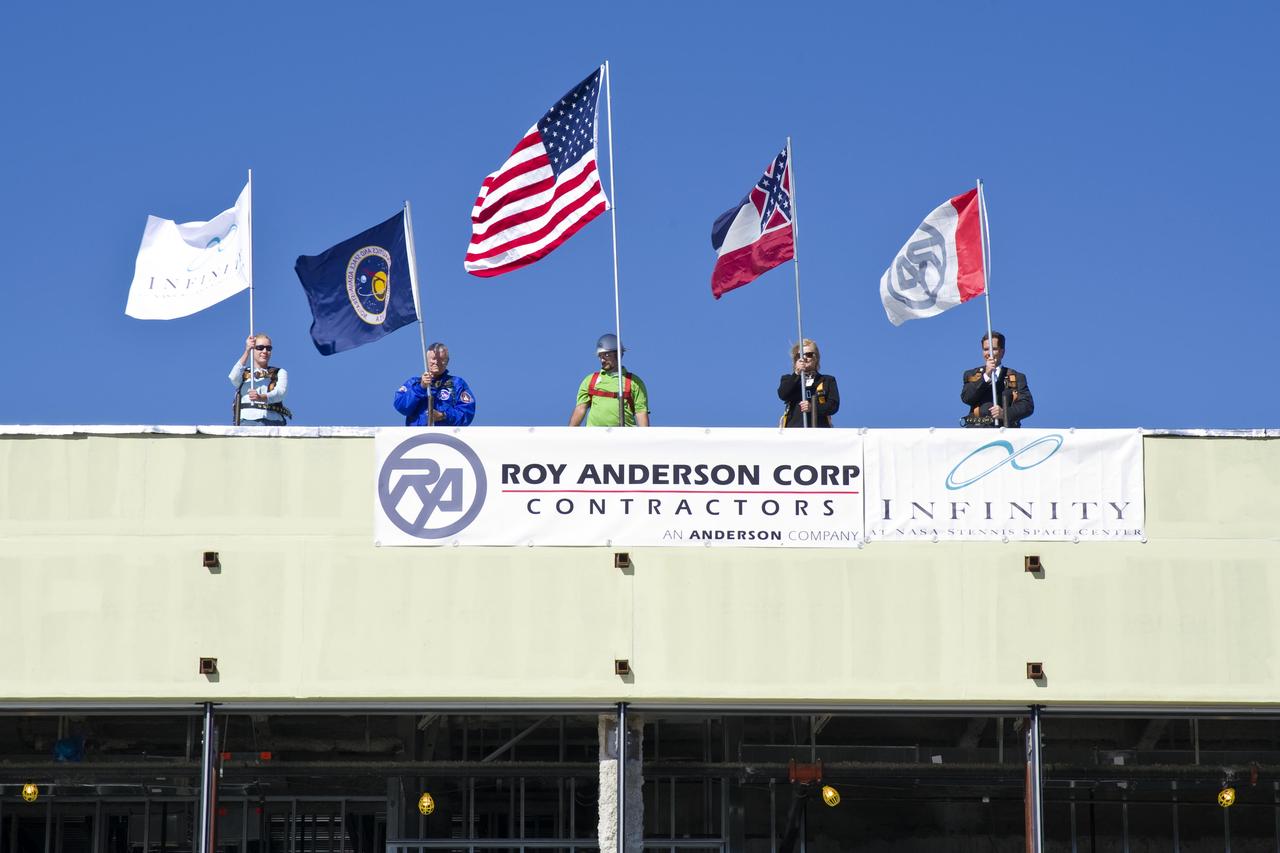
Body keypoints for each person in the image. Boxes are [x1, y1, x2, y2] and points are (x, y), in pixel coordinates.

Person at [569, 333, 650, 427]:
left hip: (625, 437)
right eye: (600, 356)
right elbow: (580, 409)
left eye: (606, 355)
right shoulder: (590, 380)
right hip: (594, 437)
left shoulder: (634, 382)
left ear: (619, 355)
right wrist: (568, 435)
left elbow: (641, 413)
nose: (602, 360)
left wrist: (645, 439)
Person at [960, 331, 1034, 427]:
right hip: (977, 431)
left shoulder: (1016, 377)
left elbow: (1027, 406)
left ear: (1002, 352)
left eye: (993, 349)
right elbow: (967, 398)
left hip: (1005, 432)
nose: (989, 353)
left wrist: (1004, 413)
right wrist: (986, 375)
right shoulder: (971, 374)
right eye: (986, 349)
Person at [394, 342, 476, 426]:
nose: (436, 362)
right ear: (426, 360)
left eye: (441, 359)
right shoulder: (413, 383)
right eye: (433, 358)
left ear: (447, 361)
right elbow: (402, 407)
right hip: (418, 436)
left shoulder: (457, 384)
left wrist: (443, 415)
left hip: (445, 436)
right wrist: (420, 387)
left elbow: (467, 414)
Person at [230, 334, 291, 426]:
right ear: (252, 349)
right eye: (260, 347)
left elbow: (280, 393)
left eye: (268, 348)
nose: (265, 351)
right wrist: (247, 351)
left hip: (274, 420)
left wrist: (261, 397)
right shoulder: (243, 373)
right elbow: (233, 377)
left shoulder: (279, 372)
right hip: (248, 420)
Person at [777, 338, 839, 428]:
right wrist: (797, 373)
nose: (804, 358)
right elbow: (783, 394)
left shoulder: (827, 380)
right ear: (796, 360)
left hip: (819, 432)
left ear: (816, 358)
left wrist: (813, 407)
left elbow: (833, 406)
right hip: (794, 432)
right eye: (800, 356)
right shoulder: (788, 379)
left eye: (809, 354)